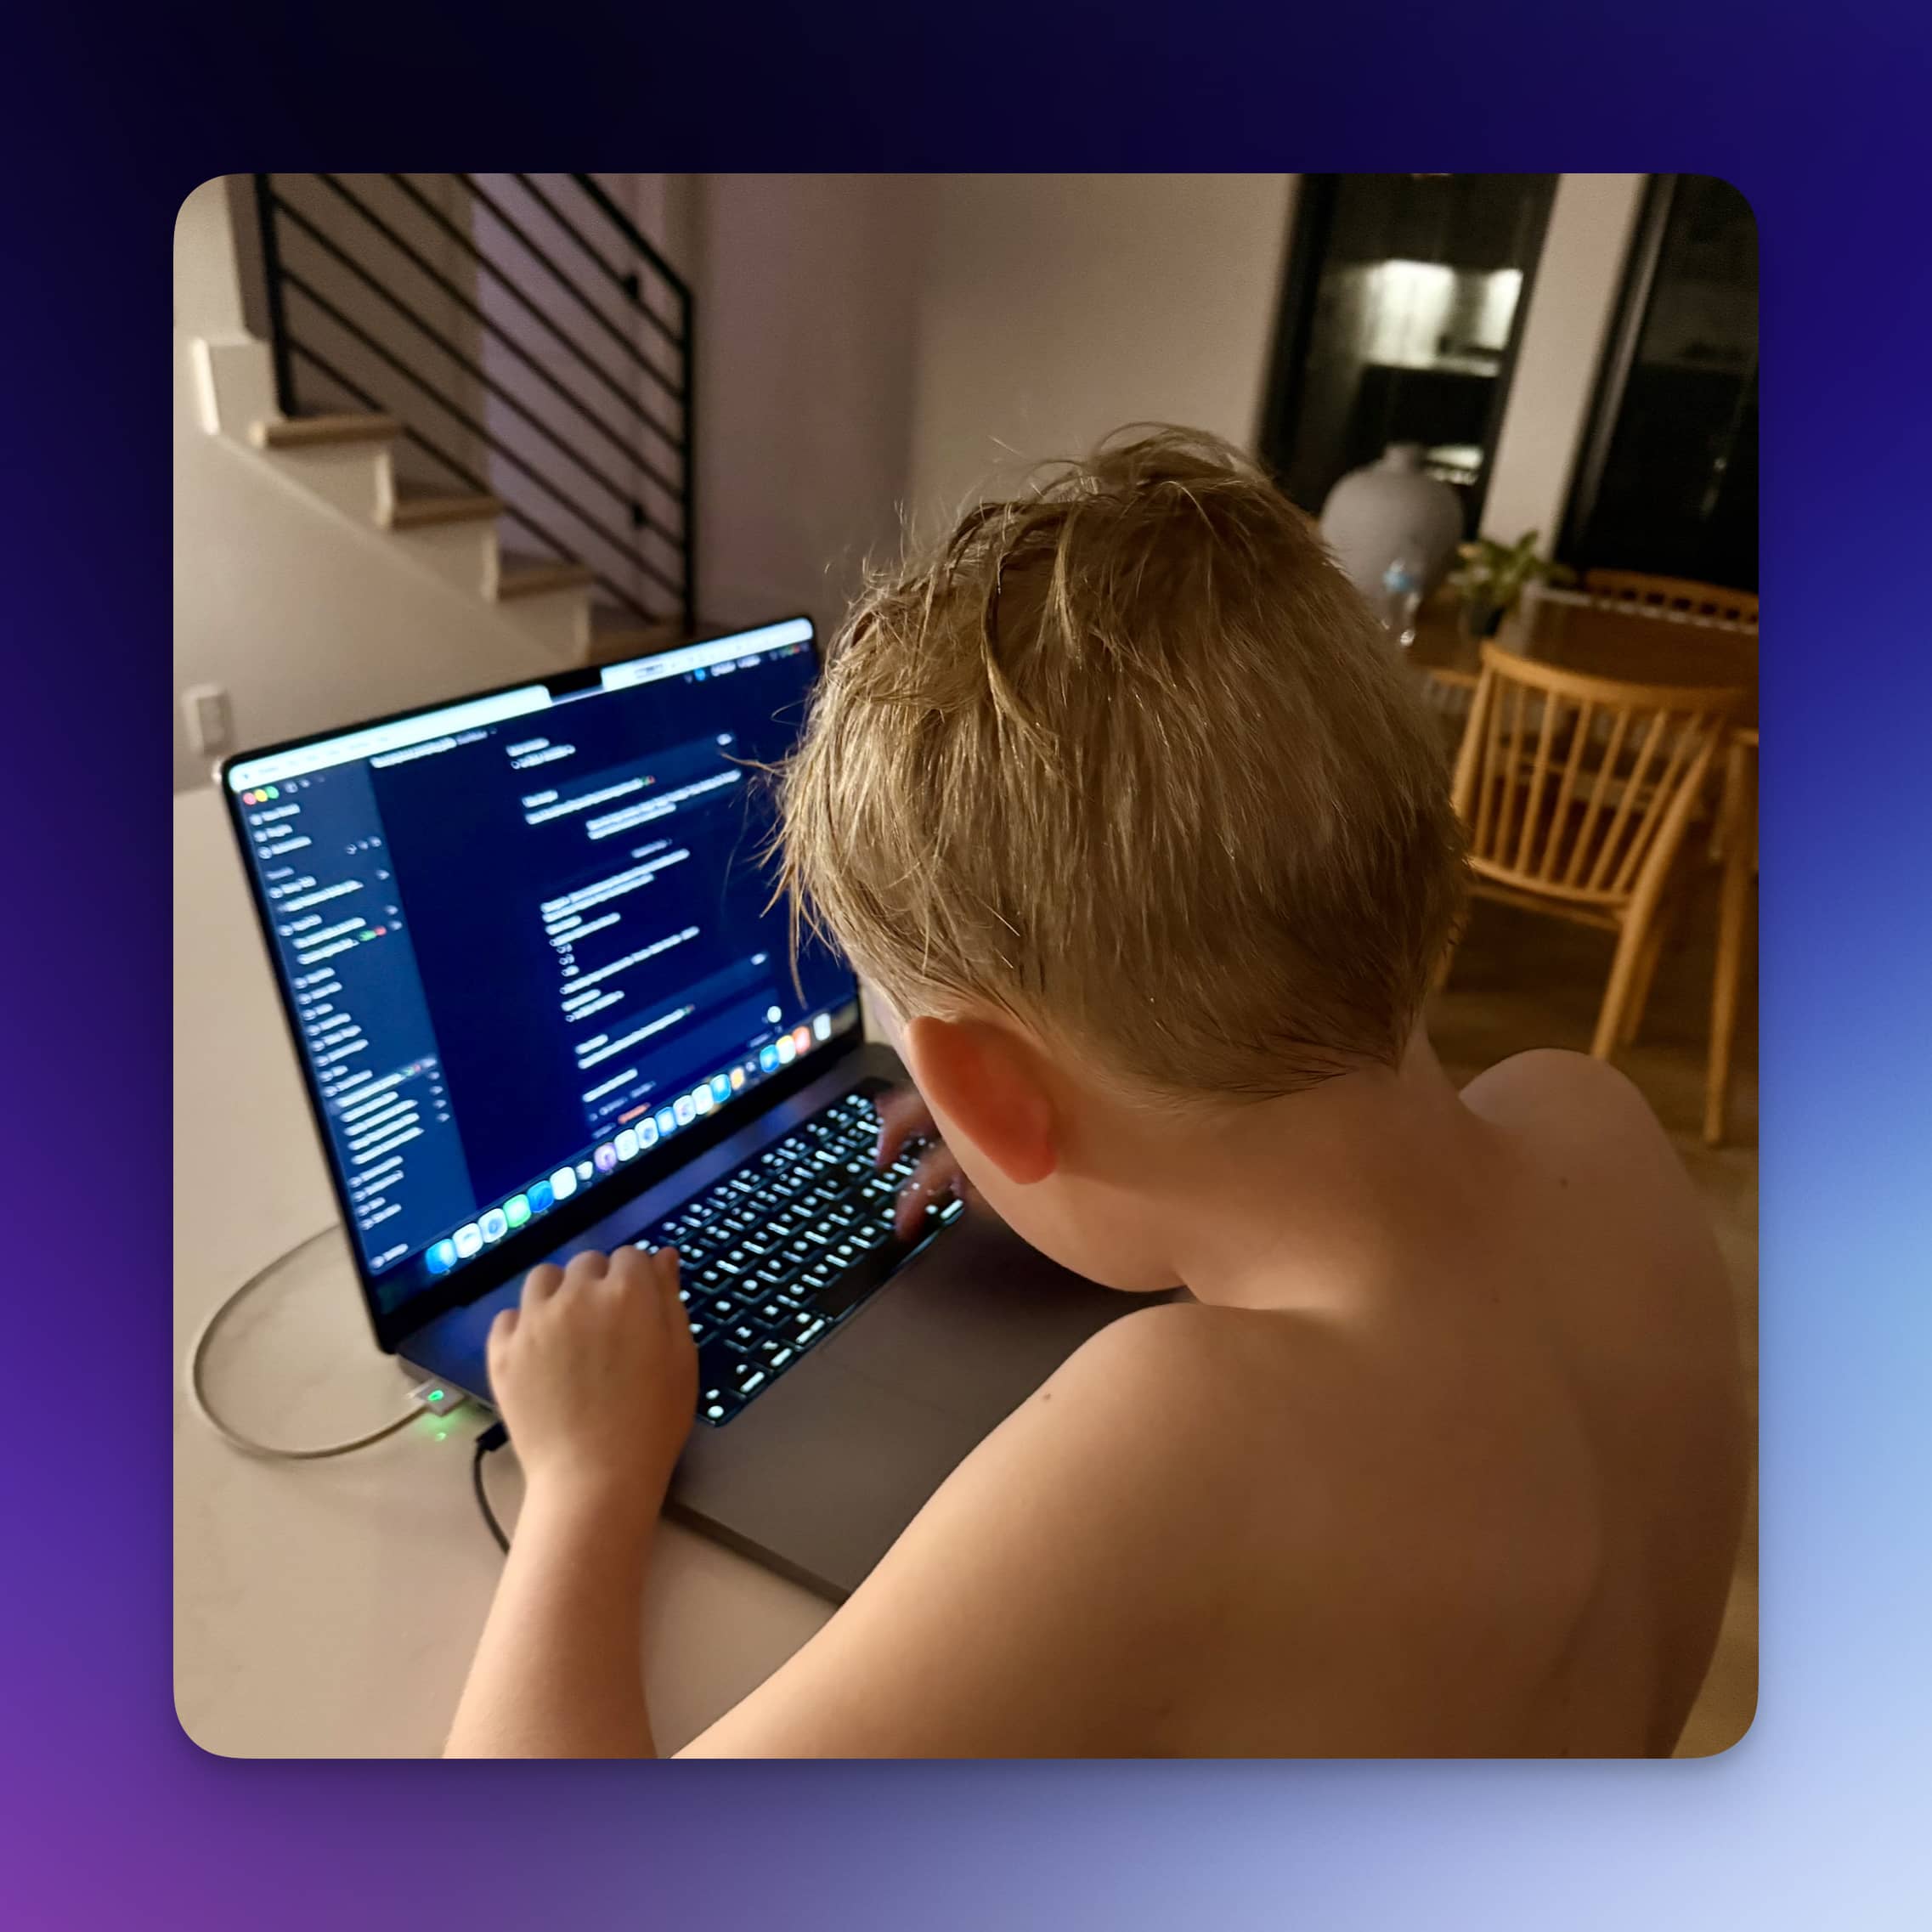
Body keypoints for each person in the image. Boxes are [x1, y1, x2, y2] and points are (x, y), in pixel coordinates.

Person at [445, 429, 1747, 1760]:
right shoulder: (1596, 1124)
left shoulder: (1183, 1445)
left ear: (987, 1094)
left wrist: (586, 1476)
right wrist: (1079, 1154)